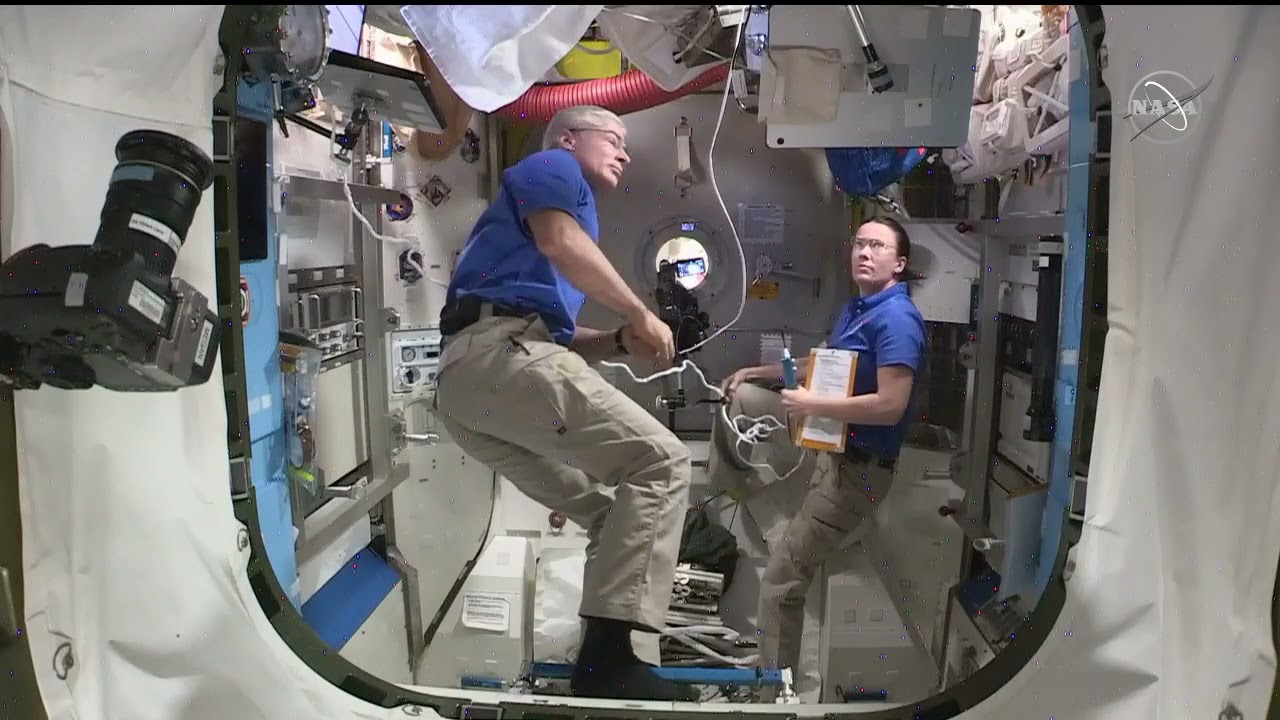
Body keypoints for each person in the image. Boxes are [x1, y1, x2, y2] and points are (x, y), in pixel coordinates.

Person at [433, 105, 698, 702]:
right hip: (497, 357)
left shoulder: (541, 239)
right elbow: (559, 243)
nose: (624, 153)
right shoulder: (554, 166)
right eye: (614, 139)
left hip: (471, 388)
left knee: (611, 515)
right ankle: (609, 665)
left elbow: (549, 337)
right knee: (662, 462)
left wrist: (617, 341)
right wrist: (639, 313)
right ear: (570, 138)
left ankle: (614, 666)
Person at [706, 216, 926, 678]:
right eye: (860, 243)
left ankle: (776, 689)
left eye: (878, 246)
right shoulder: (857, 308)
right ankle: (750, 501)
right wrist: (754, 372)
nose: (865, 252)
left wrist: (813, 404)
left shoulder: (897, 320)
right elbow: (823, 362)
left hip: (859, 471)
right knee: (743, 401)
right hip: (829, 447)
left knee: (780, 581)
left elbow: (891, 406)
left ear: (899, 263)